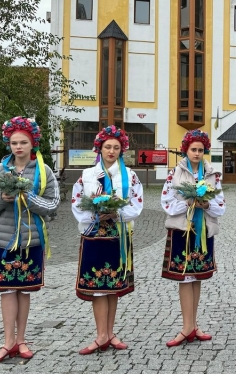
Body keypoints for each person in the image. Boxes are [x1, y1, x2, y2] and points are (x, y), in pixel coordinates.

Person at [0, 117, 59, 364]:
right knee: (6, 290)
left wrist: (29, 198)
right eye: (14, 142)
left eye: (23, 142)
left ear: (33, 143)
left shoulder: (44, 171)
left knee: (24, 291)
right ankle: (7, 342)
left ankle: (22, 340)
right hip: (3, 241)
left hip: (31, 241)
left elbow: (53, 205)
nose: (18, 147)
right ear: (9, 144)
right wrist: (3, 197)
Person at [71, 126, 143, 354]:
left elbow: (137, 204)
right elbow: (77, 202)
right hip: (94, 235)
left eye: (116, 147)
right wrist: (94, 214)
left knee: (113, 286)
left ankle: (110, 333)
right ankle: (101, 335)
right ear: (99, 149)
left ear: (122, 150)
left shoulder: (129, 175)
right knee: (98, 286)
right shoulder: (87, 175)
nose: (111, 151)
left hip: (119, 235)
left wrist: (116, 213)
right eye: (107, 147)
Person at [161, 130, 225, 346]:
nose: (197, 153)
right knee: (185, 278)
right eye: (193, 149)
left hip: (204, 231)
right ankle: (186, 327)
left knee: (197, 278)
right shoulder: (175, 173)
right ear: (186, 150)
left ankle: (193, 325)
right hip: (182, 230)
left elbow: (221, 205)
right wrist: (188, 203)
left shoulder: (212, 174)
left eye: (200, 150)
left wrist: (207, 204)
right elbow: (167, 202)